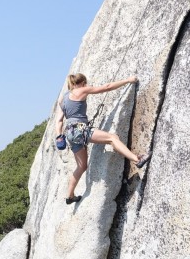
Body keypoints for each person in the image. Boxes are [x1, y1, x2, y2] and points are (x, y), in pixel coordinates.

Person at [55, 73, 151, 205]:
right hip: (79, 130)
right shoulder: (81, 90)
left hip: (70, 134)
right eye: (86, 83)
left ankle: (70, 195)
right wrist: (128, 80)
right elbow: (107, 87)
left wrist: (59, 136)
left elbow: (59, 120)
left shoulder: (63, 98)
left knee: (82, 166)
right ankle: (137, 159)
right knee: (112, 138)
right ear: (82, 82)